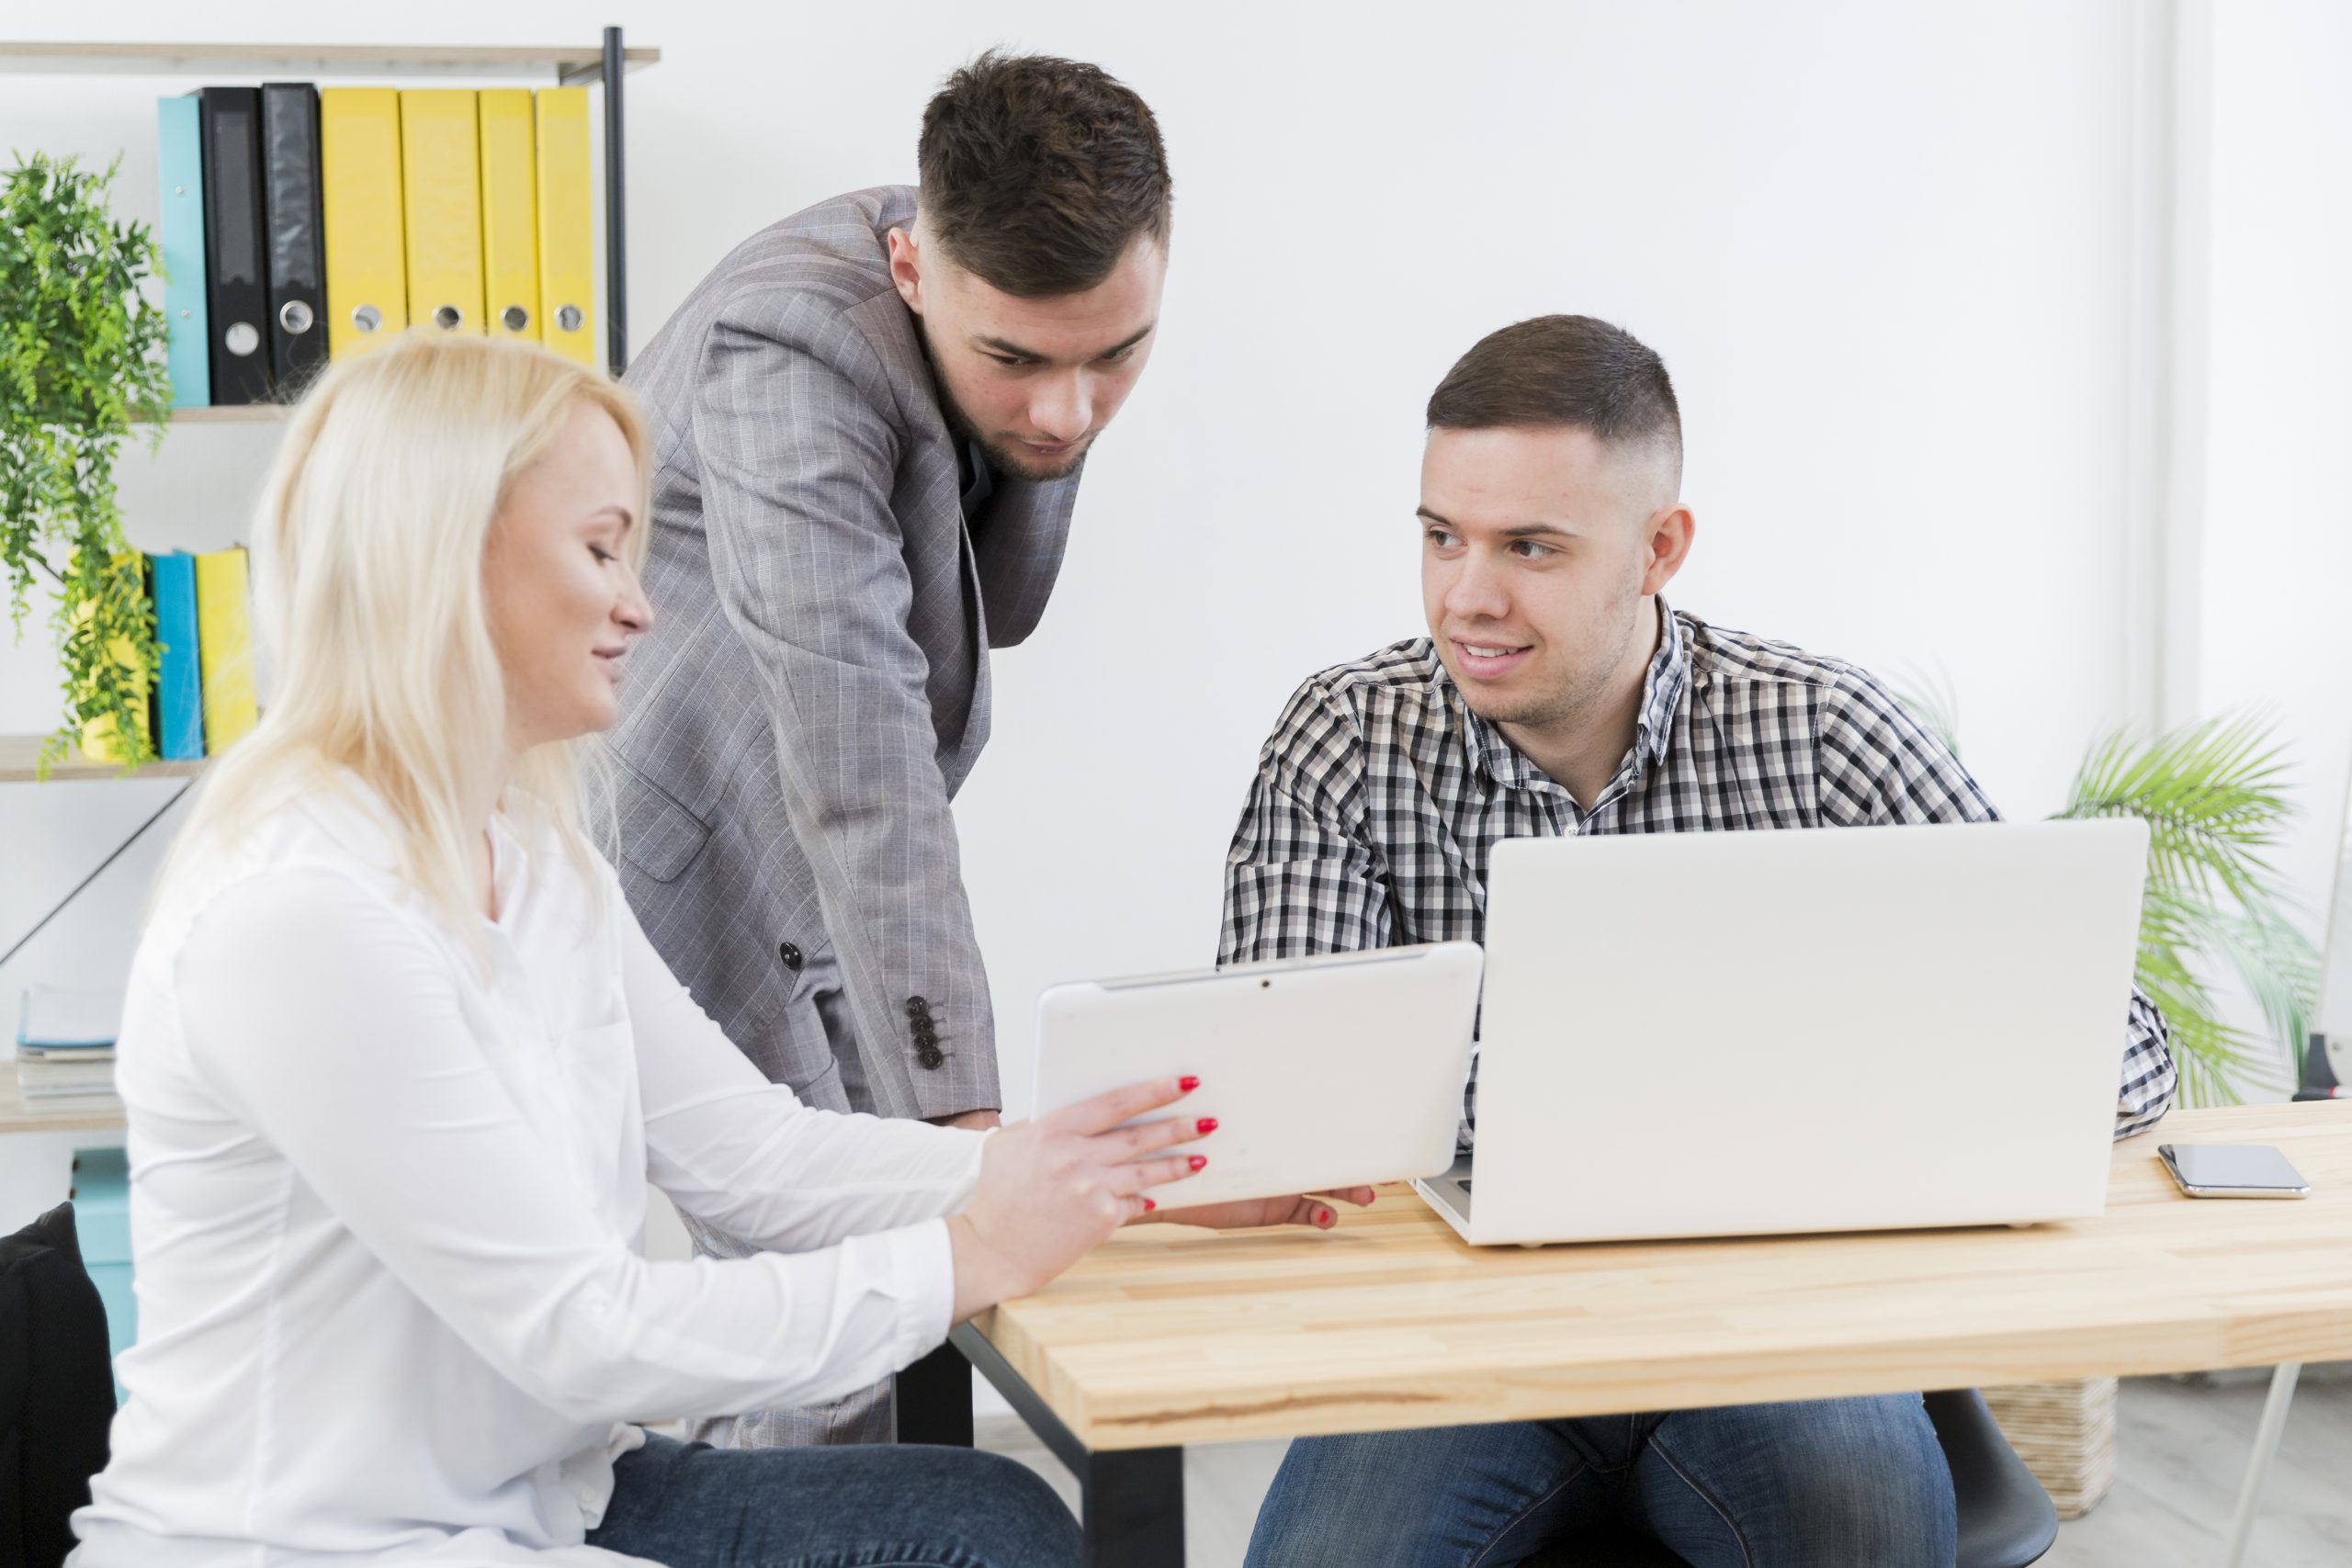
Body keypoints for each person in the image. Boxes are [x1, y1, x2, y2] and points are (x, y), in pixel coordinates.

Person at [68, 334, 1353, 1568]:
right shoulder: (302, 913)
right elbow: (584, 1330)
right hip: (329, 1547)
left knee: (996, 1525)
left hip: (550, 1497)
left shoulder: (534, 855)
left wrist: (1103, 1178)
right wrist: (973, 1255)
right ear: (444, 556)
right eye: (599, 550)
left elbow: (756, 1160)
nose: (640, 607)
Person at [1220, 314, 2177, 1568]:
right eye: (1443, 535)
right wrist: (1752, 1088)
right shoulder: (1345, 739)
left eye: (1530, 547)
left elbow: (2125, 1054)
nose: (1468, 596)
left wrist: (1707, 1096)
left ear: (1659, 548)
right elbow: (1290, 1105)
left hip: (1781, 1334)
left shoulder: (1824, 733)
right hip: (1460, 1341)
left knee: (1865, 1524)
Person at [602, 50, 1171, 1446]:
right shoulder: (787, 354)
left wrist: (968, 1165)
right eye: (1018, 362)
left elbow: (997, 600)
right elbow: (857, 748)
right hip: (686, 828)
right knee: (820, 1327)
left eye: (1115, 355)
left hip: (825, 827)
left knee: (912, 1274)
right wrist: (972, 1139)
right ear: (913, 269)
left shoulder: (1027, 304)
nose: (1067, 412)